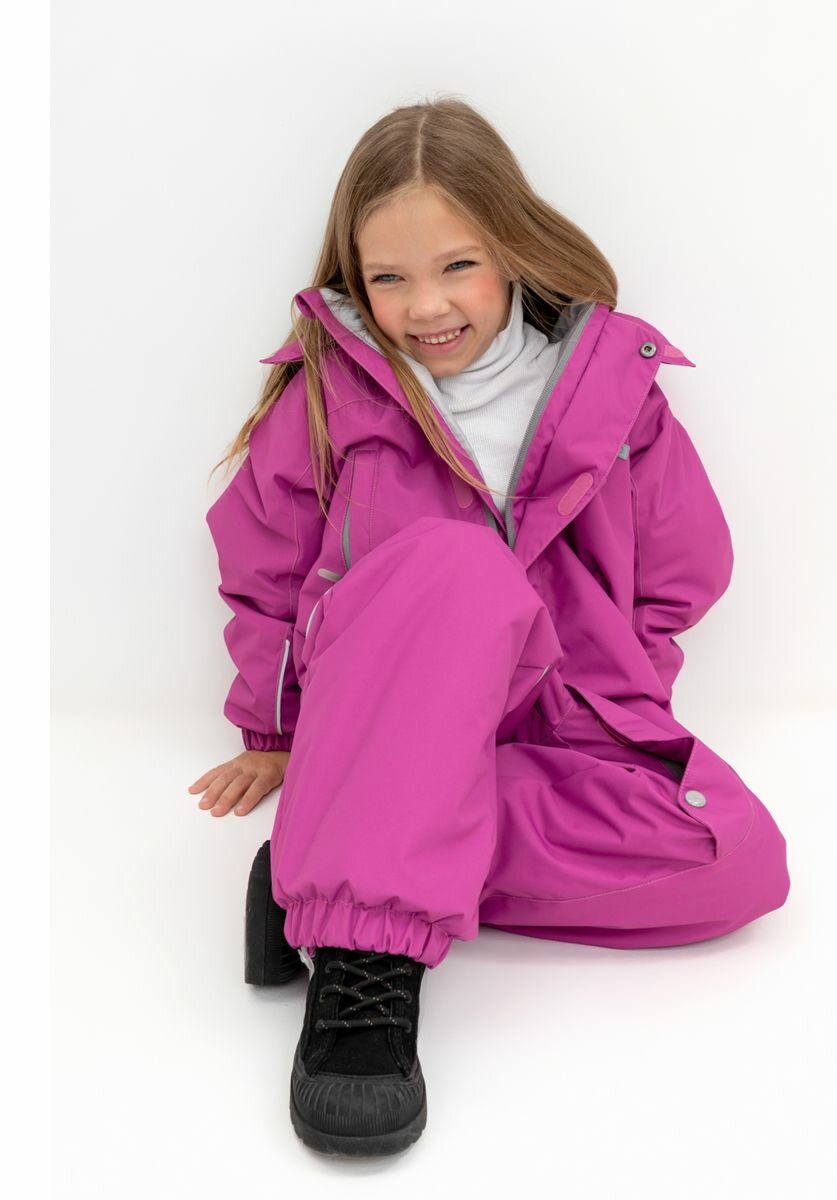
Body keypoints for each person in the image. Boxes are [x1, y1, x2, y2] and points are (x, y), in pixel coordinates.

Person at [187, 96, 791, 1158]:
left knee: (740, 860)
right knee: (463, 565)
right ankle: (364, 954)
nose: (426, 306)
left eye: (458, 266)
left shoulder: (613, 393)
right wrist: (275, 733)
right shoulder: (330, 395)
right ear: (355, 276)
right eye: (389, 278)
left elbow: (681, 565)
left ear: (512, 248)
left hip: (548, 713)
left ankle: (332, 845)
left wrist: (627, 684)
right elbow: (265, 569)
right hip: (386, 689)